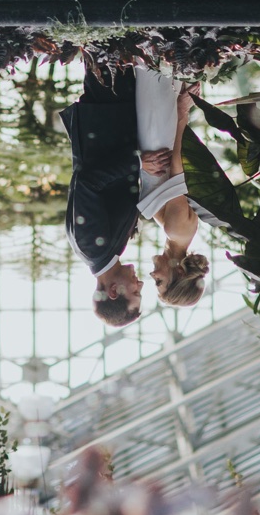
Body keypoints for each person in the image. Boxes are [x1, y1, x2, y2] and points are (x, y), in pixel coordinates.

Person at [61, 60, 144, 327]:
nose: (140, 283)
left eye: (135, 292)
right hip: (111, 120)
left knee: (106, 46)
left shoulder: (91, 246)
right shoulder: (107, 251)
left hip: (107, 118)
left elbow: (86, 182)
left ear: (113, 292)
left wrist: (141, 162)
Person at [133, 66, 212, 308]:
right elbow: (177, 168)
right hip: (159, 137)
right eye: (160, 283)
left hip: (155, 140)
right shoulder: (177, 231)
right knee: (153, 70)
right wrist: (181, 114)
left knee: (157, 70)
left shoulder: (175, 235)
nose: (152, 277)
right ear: (177, 276)